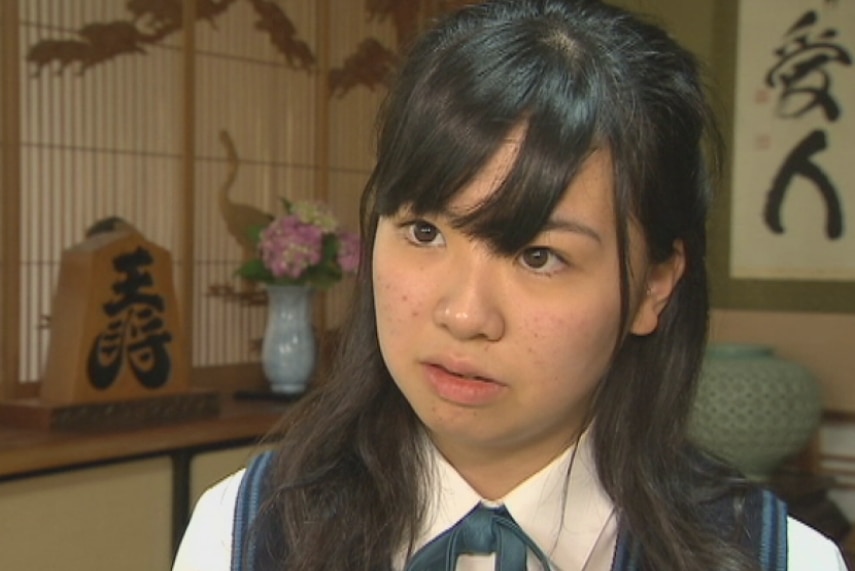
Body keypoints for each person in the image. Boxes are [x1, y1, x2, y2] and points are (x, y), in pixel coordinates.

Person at [172, 0, 847, 569]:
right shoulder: (242, 532)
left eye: (537, 255)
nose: (464, 314)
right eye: (425, 233)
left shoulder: (777, 556)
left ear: (654, 286)